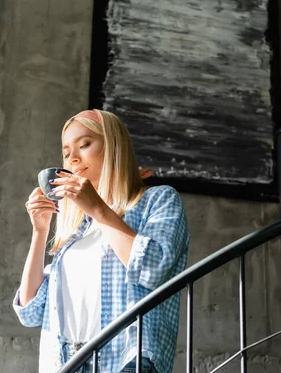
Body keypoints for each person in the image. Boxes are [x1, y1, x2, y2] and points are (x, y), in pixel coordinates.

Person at [13, 109, 190, 373]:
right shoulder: (76, 231)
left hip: (124, 361)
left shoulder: (157, 200)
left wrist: (99, 209)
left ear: (114, 147)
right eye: (66, 152)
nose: (73, 157)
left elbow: (154, 268)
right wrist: (40, 232)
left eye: (84, 145)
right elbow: (30, 311)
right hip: (64, 364)